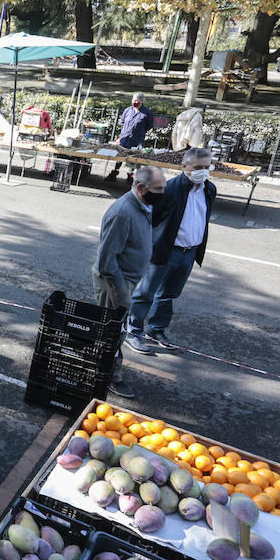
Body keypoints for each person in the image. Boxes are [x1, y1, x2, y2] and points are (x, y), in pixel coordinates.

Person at [127, 148, 216, 352]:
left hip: (189, 253)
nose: (203, 171)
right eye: (197, 167)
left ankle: (156, 330)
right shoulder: (169, 189)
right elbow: (150, 219)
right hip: (166, 252)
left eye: (206, 167)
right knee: (145, 294)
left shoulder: (209, 189)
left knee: (168, 295)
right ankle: (133, 331)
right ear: (184, 167)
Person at [93, 166, 166, 398]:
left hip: (127, 281)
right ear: (141, 187)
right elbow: (107, 260)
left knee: (116, 330)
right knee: (113, 333)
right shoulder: (122, 212)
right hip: (116, 283)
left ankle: (103, 370)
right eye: (159, 189)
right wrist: (121, 291)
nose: (163, 193)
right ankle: (110, 377)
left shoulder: (143, 205)